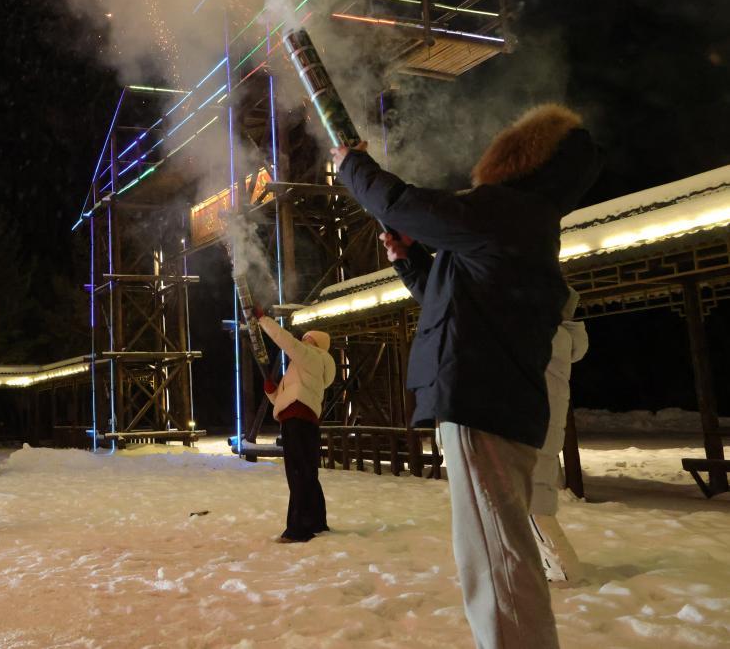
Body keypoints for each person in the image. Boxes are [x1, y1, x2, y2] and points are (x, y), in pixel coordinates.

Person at [337, 104, 600, 649]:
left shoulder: (511, 211)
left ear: (520, 161)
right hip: (491, 404)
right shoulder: (527, 226)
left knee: (498, 565)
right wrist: (411, 262)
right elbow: (453, 301)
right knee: (498, 555)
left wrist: (353, 167)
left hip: (481, 403)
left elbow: (405, 205)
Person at [253, 313, 336, 542]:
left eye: (307, 339)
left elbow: (286, 341)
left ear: (316, 344)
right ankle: (316, 521)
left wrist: (263, 319)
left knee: (298, 473)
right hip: (302, 420)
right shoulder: (304, 369)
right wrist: (272, 391)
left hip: (297, 421)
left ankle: (298, 529)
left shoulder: (313, 357)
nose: (302, 342)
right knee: (307, 472)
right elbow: (283, 399)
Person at [530, 288, 589, 584]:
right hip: (541, 427)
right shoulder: (559, 337)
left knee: (533, 505)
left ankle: (564, 571)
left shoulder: (548, 337)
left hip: (534, 429)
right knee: (531, 502)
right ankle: (551, 566)